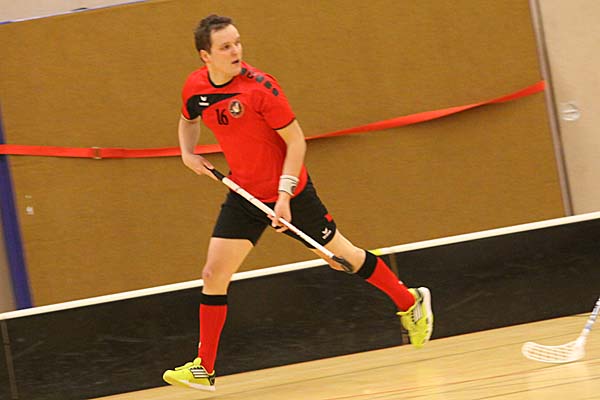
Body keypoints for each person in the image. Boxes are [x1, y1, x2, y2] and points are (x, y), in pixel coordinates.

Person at [162, 14, 433, 392]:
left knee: (342, 258)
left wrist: (285, 196)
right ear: (205, 56)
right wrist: (187, 153)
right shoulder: (195, 87)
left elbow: (296, 142)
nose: (236, 51)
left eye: (237, 42)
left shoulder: (261, 88)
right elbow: (188, 119)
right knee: (213, 274)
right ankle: (203, 368)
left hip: (292, 194)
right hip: (245, 194)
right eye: (225, 47)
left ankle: (409, 301)